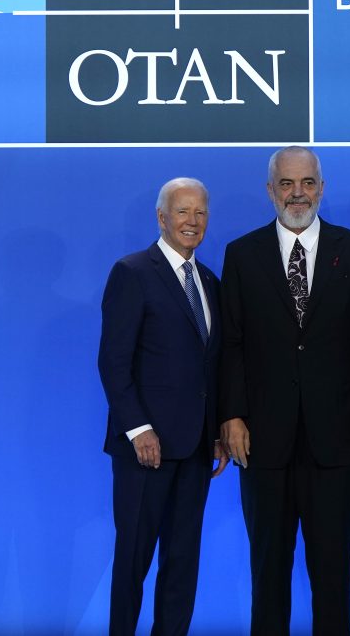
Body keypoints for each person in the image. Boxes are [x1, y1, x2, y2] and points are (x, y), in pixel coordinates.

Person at [218, 146, 350, 636]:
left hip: (337, 440)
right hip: (262, 443)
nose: (298, 194)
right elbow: (231, 345)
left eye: (308, 183)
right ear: (270, 190)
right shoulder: (241, 253)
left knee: (333, 573)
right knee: (267, 572)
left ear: (322, 187)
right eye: (287, 184)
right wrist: (231, 416)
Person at [97, 177, 228, 636]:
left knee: (182, 562)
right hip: (144, 451)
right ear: (161, 217)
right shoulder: (132, 272)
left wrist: (216, 433)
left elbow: (210, 368)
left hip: (194, 451)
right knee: (133, 559)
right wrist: (138, 429)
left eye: (201, 213)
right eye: (182, 212)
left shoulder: (210, 281)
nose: (192, 222)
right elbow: (114, 361)